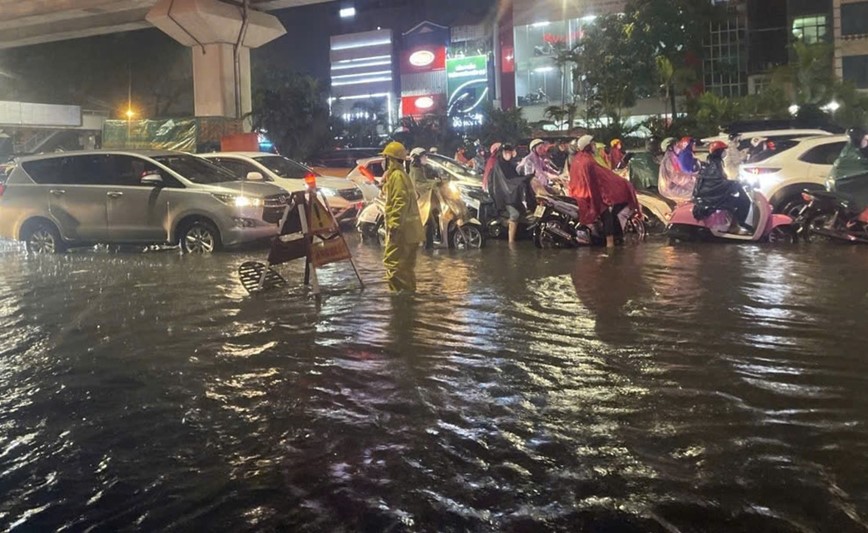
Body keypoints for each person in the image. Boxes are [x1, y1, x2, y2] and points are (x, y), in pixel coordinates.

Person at [568, 135, 642, 247]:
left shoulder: (578, 159)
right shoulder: (588, 161)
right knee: (606, 215)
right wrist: (621, 182)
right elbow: (602, 176)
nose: (595, 146)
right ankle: (610, 244)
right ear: (588, 146)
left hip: (577, 193)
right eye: (592, 144)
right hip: (589, 195)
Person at [381, 141, 424, 294]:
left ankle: (399, 303)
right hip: (411, 232)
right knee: (406, 268)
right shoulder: (402, 176)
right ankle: (409, 301)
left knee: (393, 264)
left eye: (386, 158)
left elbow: (400, 202)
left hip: (402, 232)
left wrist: (393, 226)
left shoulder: (397, 176)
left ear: (391, 159)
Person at [693, 140, 753, 234]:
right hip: (713, 198)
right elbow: (716, 183)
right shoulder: (715, 165)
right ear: (719, 152)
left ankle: (735, 225)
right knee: (744, 201)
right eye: (723, 150)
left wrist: (732, 184)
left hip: (712, 196)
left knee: (737, 199)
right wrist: (734, 184)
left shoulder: (713, 163)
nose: (725, 152)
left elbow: (718, 181)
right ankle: (735, 226)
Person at [487, 143, 527, 243]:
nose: (508, 154)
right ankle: (511, 242)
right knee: (515, 214)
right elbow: (505, 183)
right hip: (504, 197)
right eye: (506, 152)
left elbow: (515, 178)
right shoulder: (498, 166)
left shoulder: (510, 164)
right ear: (501, 153)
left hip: (512, 194)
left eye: (510, 151)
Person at [518, 138, 560, 205]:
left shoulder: (539, 159)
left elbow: (546, 168)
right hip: (533, 188)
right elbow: (532, 175)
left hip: (541, 185)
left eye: (543, 148)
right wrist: (550, 176)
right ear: (534, 149)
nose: (542, 150)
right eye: (540, 148)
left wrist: (557, 174)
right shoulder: (529, 159)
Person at [658, 136, 697, 203]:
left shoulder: (674, 156)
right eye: (676, 144)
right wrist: (693, 177)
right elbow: (678, 178)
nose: (678, 146)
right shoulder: (670, 159)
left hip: (675, 185)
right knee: (699, 192)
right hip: (671, 188)